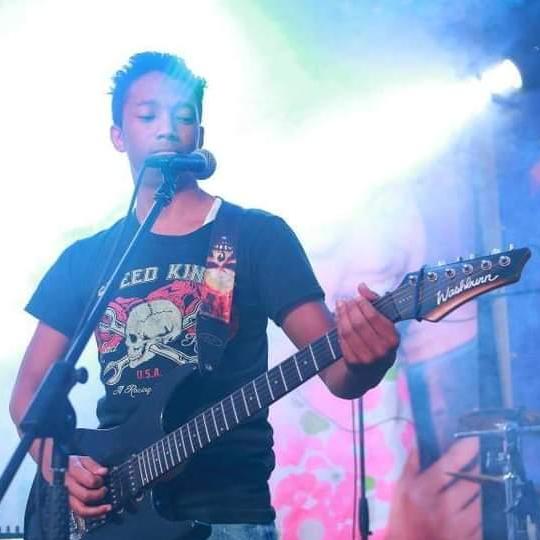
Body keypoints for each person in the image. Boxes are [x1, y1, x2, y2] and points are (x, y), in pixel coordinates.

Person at [9, 51, 399, 540]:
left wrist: (369, 359)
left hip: (227, 516)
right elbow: (28, 394)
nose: (167, 128)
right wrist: (62, 466)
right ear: (117, 136)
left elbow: (339, 372)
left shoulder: (254, 236)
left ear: (199, 135)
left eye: (183, 116)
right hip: (115, 515)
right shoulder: (87, 258)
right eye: (148, 115)